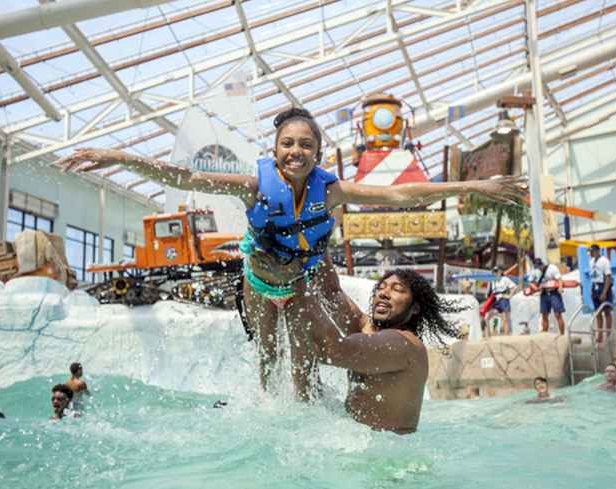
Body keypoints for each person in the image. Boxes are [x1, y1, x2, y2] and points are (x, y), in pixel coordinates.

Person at [58, 107, 525, 401]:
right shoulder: (252, 186)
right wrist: (117, 157)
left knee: (301, 365)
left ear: (318, 152)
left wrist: (474, 185)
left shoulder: (333, 190)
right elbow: (184, 178)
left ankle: (303, 416)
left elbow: (405, 195)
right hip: (260, 284)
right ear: (275, 149)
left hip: (299, 282)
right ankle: (268, 414)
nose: (295, 151)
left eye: (305, 144)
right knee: (267, 357)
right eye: (287, 143)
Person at [301, 269, 466, 434]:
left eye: (397, 289)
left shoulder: (405, 345)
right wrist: (316, 248)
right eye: (381, 287)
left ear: (415, 308)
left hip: (391, 453)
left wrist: (294, 289)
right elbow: (331, 292)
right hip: (361, 443)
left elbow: (331, 351)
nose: (384, 293)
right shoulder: (367, 331)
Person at [529, 258, 566, 335]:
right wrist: (535, 288)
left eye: (539, 266)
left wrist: (560, 287)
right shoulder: (535, 271)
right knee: (544, 315)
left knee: (558, 314)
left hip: (554, 292)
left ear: (542, 264)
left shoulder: (552, 268)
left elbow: (559, 279)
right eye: (537, 266)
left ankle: (562, 334)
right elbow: (530, 282)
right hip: (544, 293)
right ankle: (544, 334)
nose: (539, 268)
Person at [589, 244, 613, 344]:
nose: (591, 253)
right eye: (590, 252)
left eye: (593, 251)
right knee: (598, 313)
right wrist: (592, 290)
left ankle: (608, 335)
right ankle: (600, 335)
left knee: (606, 311)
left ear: (598, 251)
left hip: (603, 286)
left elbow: (608, 277)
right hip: (595, 286)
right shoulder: (591, 262)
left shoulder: (604, 261)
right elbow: (593, 276)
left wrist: (604, 292)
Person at [490, 267, 516, 336]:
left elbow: (513, 287)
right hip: (496, 301)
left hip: (503, 300)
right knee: (489, 316)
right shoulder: (493, 281)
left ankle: (506, 336)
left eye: (497, 271)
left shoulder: (505, 279)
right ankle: (493, 334)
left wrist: (509, 296)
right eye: (494, 272)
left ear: (500, 271)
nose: (496, 273)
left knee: (505, 319)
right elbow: (493, 292)